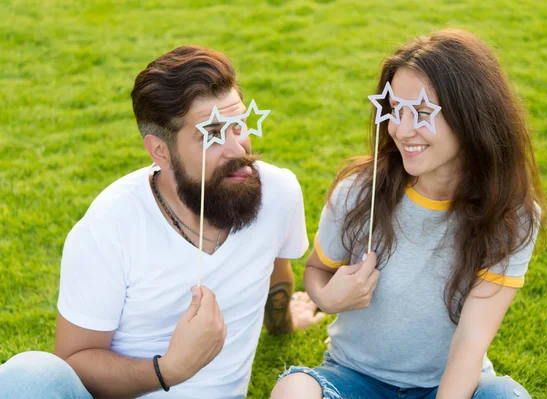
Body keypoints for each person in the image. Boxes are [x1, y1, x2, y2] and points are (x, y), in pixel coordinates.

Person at [0, 46, 323, 399]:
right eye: (212, 134)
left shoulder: (276, 192)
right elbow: (72, 362)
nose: (237, 149)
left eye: (239, 125)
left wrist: (284, 321)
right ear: (160, 151)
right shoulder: (110, 225)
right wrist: (169, 369)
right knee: (26, 376)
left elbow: (277, 271)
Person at [272, 29, 547, 399]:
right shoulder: (358, 192)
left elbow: (471, 341)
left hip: (450, 384)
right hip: (353, 377)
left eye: (420, 113)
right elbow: (318, 272)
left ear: (471, 115)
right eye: (395, 110)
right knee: (293, 390)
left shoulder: (511, 215)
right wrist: (329, 299)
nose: (401, 129)